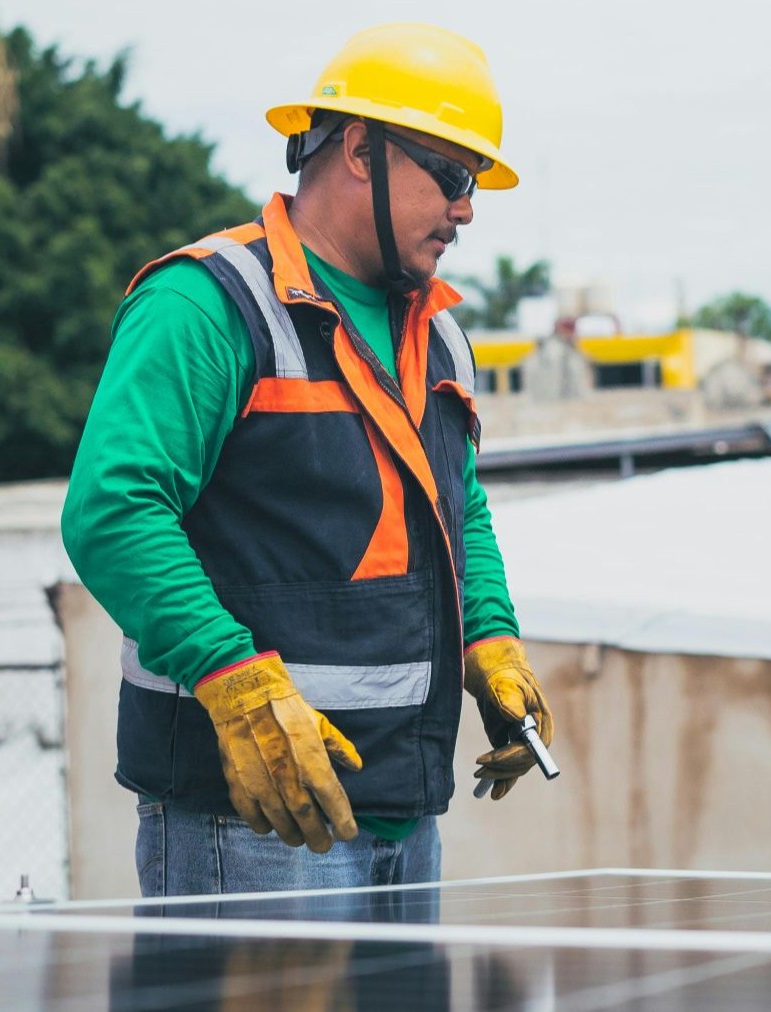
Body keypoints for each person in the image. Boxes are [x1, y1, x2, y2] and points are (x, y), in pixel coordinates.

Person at [60, 22, 555, 897]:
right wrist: (234, 681)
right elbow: (114, 509)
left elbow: (458, 506)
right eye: (451, 174)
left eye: (474, 183)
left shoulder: (436, 333)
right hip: (248, 823)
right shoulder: (208, 304)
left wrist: (494, 640)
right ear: (360, 150)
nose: (467, 207)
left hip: (406, 813)